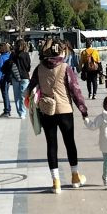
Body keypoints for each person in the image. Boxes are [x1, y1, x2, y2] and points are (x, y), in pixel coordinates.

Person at [26, 41, 89, 193]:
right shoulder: (65, 68)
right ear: (61, 53)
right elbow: (75, 91)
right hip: (65, 110)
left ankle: (56, 182)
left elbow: (30, 89)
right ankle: (75, 177)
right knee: (70, 143)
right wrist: (83, 111)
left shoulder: (39, 68)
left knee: (51, 145)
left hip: (47, 111)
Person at [8, 39, 31, 119]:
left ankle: (20, 112)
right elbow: (28, 67)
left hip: (15, 77)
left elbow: (9, 65)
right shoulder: (26, 55)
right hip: (25, 77)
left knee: (17, 96)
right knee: (23, 96)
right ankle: (23, 112)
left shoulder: (12, 55)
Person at [0, 42, 14, 116]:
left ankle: (7, 110)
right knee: (6, 93)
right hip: (8, 77)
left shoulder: (1, 57)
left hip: (2, 78)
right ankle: (8, 109)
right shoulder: (9, 56)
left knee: (4, 94)